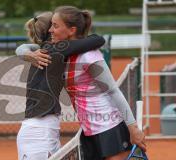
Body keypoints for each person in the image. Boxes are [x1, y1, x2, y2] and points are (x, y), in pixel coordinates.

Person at [19, 6, 146, 160]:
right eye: (51, 25)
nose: (52, 29)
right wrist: (26, 52)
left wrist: (133, 128)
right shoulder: (61, 55)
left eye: (56, 25)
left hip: (109, 127)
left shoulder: (88, 54)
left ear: (71, 30)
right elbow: (26, 48)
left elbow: (113, 91)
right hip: (88, 131)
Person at [15, 11, 105, 160]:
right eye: (55, 25)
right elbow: (98, 39)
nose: (55, 28)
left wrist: (24, 51)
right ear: (50, 30)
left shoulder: (46, 49)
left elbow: (24, 46)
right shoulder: (57, 49)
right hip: (39, 133)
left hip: (42, 130)